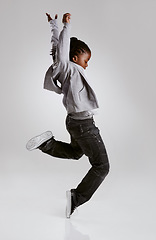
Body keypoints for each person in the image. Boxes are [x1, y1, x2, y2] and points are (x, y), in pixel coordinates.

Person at [26, 12, 110, 218]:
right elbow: (61, 51)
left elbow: (56, 49)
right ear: (74, 58)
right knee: (102, 166)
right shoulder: (69, 68)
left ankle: (47, 144)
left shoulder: (64, 68)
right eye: (85, 60)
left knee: (75, 152)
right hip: (84, 125)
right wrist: (66, 26)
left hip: (74, 123)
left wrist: (53, 26)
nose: (86, 64)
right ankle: (76, 197)